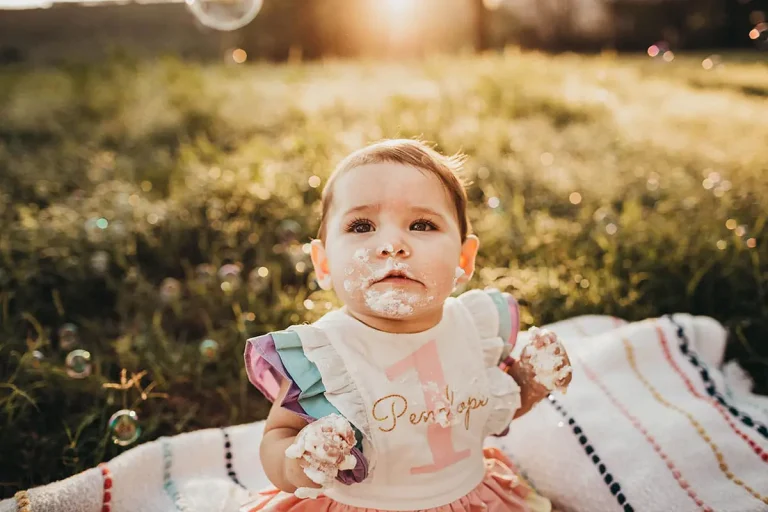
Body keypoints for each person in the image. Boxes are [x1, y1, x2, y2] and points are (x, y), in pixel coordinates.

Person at [242, 139, 572, 512]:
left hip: (465, 497)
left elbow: (491, 410)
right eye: (362, 225)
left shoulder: (474, 332)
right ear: (324, 264)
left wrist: (531, 382)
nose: (392, 244)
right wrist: (301, 460)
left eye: (421, 224)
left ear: (464, 259)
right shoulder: (326, 356)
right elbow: (277, 435)